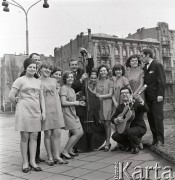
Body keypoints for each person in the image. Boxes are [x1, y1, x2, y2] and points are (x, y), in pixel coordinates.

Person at [9, 58, 45, 173]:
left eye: (34, 67)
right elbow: (11, 95)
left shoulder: (39, 81)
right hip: (24, 111)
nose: (32, 69)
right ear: (25, 68)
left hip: (36, 111)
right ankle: (25, 162)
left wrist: (43, 112)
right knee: (25, 137)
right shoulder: (20, 80)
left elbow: (42, 98)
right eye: (30, 67)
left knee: (34, 136)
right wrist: (18, 104)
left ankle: (33, 161)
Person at [39, 60, 66, 166]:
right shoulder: (37, 81)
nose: (47, 70)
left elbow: (57, 94)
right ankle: (50, 157)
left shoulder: (54, 81)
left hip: (56, 109)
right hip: (46, 110)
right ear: (40, 68)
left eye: (49, 69)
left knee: (57, 133)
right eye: (45, 68)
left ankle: (57, 156)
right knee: (48, 134)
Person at [20, 53, 44, 163]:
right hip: (28, 110)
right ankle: (28, 159)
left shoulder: (38, 74)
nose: (37, 62)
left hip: (37, 109)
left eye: (38, 60)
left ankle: (35, 156)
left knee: (36, 134)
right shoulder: (24, 75)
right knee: (27, 135)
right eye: (35, 60)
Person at [140, 48, 166, 146]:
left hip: (156, 97)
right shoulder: (144, 68)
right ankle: (155, 139)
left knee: (158, 118)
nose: (141, 58)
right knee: (151, 118)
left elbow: (162, 81)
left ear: (147, 55)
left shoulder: (157, 65)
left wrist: (160, 94)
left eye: (142, 56)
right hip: (148, 98)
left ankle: (160, 140)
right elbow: (145, 84)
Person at [111, 86, 148, 154]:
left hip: (139, 127)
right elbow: (112, 118)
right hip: (126, 129)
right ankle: (132, 145)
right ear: (120, 96)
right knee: (114, 136)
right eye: (122, 93)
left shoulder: (136, 103)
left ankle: (135, 147)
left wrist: (141, 101)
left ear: (131, 94)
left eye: (127, 93)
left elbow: (146, 109)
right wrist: (116, 120)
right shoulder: (120, 107)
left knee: (130, 132)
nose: (124, 94)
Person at [60, 71, 84, 159]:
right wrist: (75, 102)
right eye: (68, 77)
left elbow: (73, 101)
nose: (70, 78)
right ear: (65, 79)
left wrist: (78, 102)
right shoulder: (64, 88)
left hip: (73, 113)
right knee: (76, 133)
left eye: (71, 77)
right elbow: (63, 102)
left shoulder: (72, 89)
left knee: (81, 132)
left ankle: (70, 150)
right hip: (67, 113)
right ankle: (65, 151)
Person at [126, 54, 145, 150]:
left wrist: (135, 94)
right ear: (129, 62)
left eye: (136, 60)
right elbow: (127, 84)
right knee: (131, 118)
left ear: (138, 62)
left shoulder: (141, 71)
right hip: (130, 96)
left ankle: (140, 141)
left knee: (139, 118)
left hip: (139, 95)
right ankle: (134, 141)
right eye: (132, 60)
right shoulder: (127, 72)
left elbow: (141, 84)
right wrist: (131, 94)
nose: (134, 62)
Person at [110, 64, 130, 152]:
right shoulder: (112, 80)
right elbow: (111, 93)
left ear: (122, 71)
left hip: (122, 103)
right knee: (116, 122)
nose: (118, 71)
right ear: (114, 71)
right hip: (115, 104)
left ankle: (125, 143)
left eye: (120, 70)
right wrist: (115, 102)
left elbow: (129, 91)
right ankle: (118, 144)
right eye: (116, 70)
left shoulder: (124, 79)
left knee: (123, 123)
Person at [96, 64, 113, 151]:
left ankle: (107, 142)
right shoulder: (97, 81)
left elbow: (110, 94)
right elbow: (95, 93)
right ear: (99, 72)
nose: (103, 72)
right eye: (101, 71)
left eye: (104, 70)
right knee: (102, 123)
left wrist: (100, 96)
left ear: (107, 72)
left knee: (107, 123)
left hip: (107, 104)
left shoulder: (110, 81)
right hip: (99, 105)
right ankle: (106, 142)